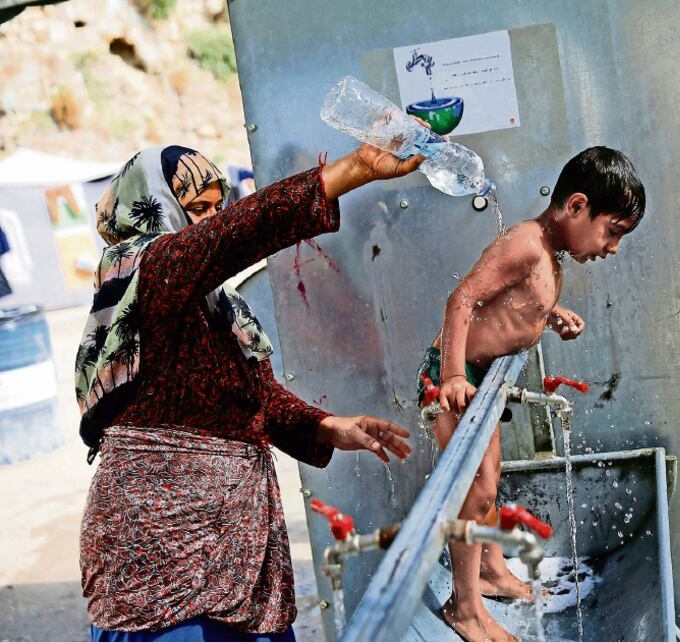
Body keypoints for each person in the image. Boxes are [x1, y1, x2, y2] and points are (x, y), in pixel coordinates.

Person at [75, 142, 423, 641]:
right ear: (152, 210)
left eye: (219, 206)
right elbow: (241, 232)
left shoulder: (217, 304)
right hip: (160, 556)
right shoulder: (146, 275)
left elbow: (253, 395)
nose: (213, 220)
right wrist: (354, 170)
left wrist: (324, 426)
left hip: (236, 544)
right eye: (198, 210)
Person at [416, 146, 646, 642]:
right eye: (613, 231)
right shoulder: (526, 243)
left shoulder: (548, 252)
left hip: (480, 378)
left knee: (488, 481)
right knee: (472, 489)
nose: (612, 248)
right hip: (455, 379)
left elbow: (515, 300)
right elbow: (462, 299)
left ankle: (492, 572)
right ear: (577, 206)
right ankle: (465, 608)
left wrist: (549, 313)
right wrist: (454, 374)